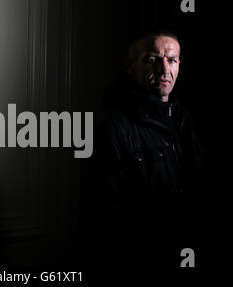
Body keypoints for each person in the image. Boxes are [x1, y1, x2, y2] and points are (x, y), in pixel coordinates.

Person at [79, 32, 206, 271]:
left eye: (172, 59)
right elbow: (101, 215)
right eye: (152, 59)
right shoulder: (114, 127)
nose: (164, 68)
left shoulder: (187, 122)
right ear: (130, 66)